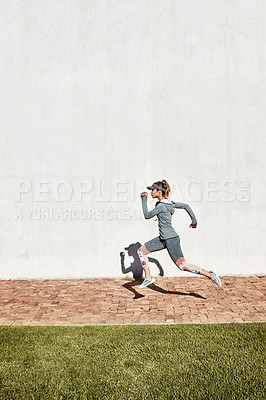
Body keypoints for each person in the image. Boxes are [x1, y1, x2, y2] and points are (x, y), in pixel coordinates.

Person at [137, 179, 222, 288]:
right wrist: (194, 222)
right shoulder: (170, 203)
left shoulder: (161, 206)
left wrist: (144, 200)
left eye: (152, 190)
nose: (151, 192)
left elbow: (147, 215)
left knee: (183, 266)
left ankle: (211, 274)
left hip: (171, 239)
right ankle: (148, 277)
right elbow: (186, 206)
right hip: (163, 239)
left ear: (159, 191)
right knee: (141, 251)